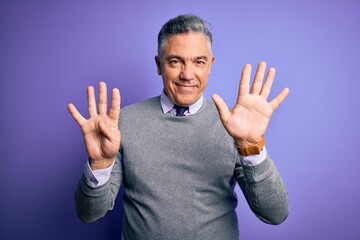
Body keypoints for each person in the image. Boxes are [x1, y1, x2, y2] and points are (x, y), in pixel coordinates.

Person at [68, 14, 289, 240]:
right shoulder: (123, 122)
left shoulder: (234, 126)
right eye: (175, 61)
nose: (187, 74)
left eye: (199, 62)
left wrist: (251, 146)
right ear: (159, 65)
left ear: (210, 65)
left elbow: (275, 214)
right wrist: (99, 165)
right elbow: (88, 214)